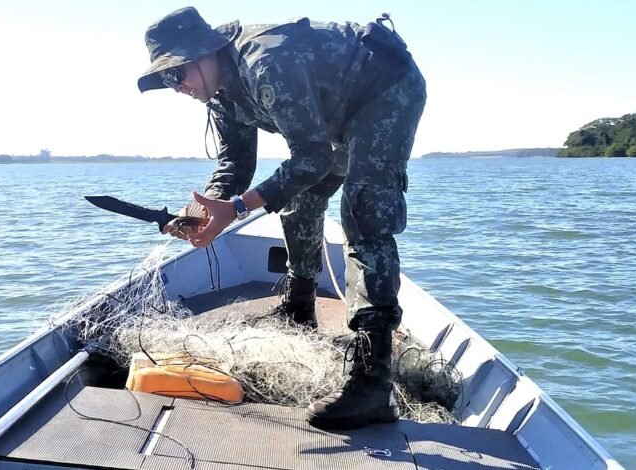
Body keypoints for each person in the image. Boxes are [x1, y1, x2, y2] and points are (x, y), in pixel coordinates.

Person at [137, 6, 426, 430]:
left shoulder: (266, 62)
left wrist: (237, 209)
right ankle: (299, 306)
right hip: (333, 116)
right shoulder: (219, 93)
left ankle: (372, 380)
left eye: (177, 73)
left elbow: (313, 157)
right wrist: (205, 210)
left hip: (384, 91)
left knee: (364, 212)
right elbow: (235, 162)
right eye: (166, 79)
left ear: (204, 54)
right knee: (298, 201)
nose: (175, 86)